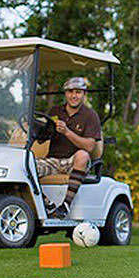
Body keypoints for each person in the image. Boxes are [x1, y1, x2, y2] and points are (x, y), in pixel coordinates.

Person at [35, 77, 102, 219]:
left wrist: (67, 132)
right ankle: (48, 204)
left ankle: (65, 205)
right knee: (24, 166)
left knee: (83, 155)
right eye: (70, 92)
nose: (74, 96)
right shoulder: (55, 111)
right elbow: (43, 139)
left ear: (84, 94)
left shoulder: (90, 115)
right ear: (65, 94)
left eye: (78, 92)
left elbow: (90, 146)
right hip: (53, 160)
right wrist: (41, 131)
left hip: (75, 162)